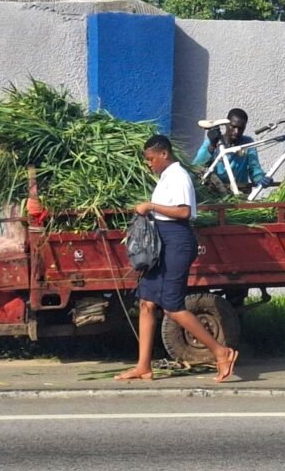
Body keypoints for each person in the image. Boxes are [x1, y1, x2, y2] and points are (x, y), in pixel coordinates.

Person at [115, 135, 239, 383]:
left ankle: (221, 352)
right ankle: (143, 367)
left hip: (177, 243)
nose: (149, 164)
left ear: (164, 154)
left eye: (151, 159)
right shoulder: (165, 178)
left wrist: (151, 206)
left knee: (172, 306)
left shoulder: (179, 176)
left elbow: (184, 211)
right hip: (162, 243)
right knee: (146, 302)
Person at [193, 107, 269, 192]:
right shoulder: (211, 143)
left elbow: (254, 168)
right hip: (215, 193)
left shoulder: (247, 143)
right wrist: (212, 146)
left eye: (241, 128)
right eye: (233, 126)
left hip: (240, 190)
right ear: (227, 124)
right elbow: (196, 166)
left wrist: (260, 178)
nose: (236, 131)